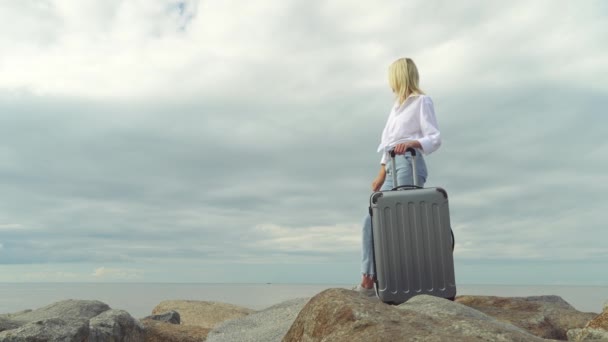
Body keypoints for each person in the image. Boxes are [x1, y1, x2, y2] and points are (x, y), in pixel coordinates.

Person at [355, 57, 442, 296]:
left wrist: (414, 142)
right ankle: (369, 277)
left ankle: (401, 280)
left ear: (399, 76)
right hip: (393, 165)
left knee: (402, 223)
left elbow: (434, 138)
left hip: (409, 164)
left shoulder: (421, 101)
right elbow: (389, 144)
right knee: (371, 220)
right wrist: (381, 172)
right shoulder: (396, 108)